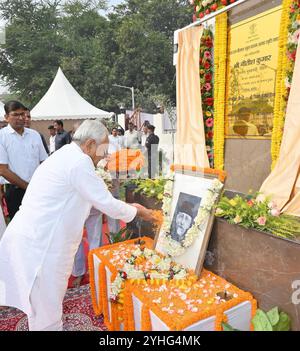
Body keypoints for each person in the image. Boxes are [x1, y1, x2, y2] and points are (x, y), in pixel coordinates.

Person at [0, 119, 154, 331]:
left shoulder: (65, 155)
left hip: (34, 239)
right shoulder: (79, 162)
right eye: (103, 149)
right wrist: (139, 211)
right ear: (90, 144)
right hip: (43, 247)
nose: (103, 156)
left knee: (41, 308)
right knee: (47, 314)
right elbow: (105, 202)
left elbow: (93, 199)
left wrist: (130, 207)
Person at [0, 101, 48, 219]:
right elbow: (3, 170)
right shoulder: (2, 136)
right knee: (19, 228)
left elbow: (44, 162)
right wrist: (27, 186)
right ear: (6, 117)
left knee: (39, 223)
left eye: (22, 114)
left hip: (37, 189)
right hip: (15, 191)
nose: (21, 118)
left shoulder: (35, 135)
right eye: (15, 115)